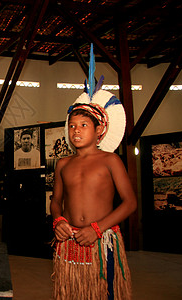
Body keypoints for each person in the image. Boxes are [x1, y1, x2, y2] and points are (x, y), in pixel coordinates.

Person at [50, 86, 137, 299]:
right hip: (70, 239)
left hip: (101, 240)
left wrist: (97, 229)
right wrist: (58, 220)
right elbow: (56, 201)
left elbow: (130, 203)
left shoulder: (110, 160)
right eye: (72, 126)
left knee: (102, 292)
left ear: (99, 130)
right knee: (71, 293)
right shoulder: (63, 163)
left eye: (83, 125)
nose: (76, 130)